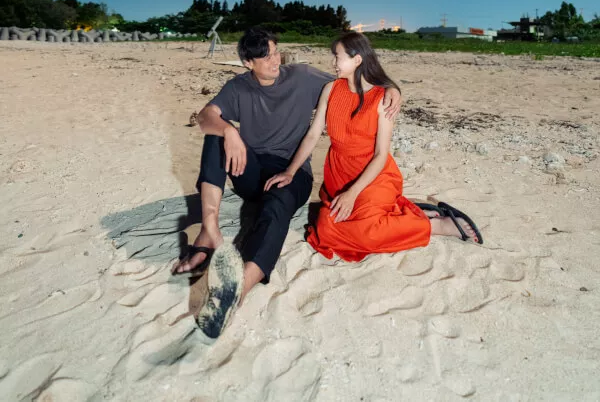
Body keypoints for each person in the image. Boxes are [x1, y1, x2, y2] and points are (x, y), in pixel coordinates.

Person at [172, 27, 403, 341]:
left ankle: (240, 287)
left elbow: (355, 80)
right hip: (250, 171)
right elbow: (205, 116)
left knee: (277, 206)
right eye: (265, 57)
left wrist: (392, 89)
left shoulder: (303, 77)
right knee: (215, 135)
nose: (275, 61)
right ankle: (209, 230)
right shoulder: (238, 87)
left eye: (275, 51)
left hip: (292, 172)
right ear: (247, 62)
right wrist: (229, 131)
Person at [265, 32, 483, 264]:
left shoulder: (382, 99)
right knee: (325, 231)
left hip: (373, 175)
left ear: (357, 59)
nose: (333, 62)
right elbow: (312, 135)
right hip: (339, 175)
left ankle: (437, 225)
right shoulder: (330, 89)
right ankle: (405, 211)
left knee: (368, 233)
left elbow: (380, 155)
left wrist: (352, 193)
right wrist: (290, 171)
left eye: (337, 56)